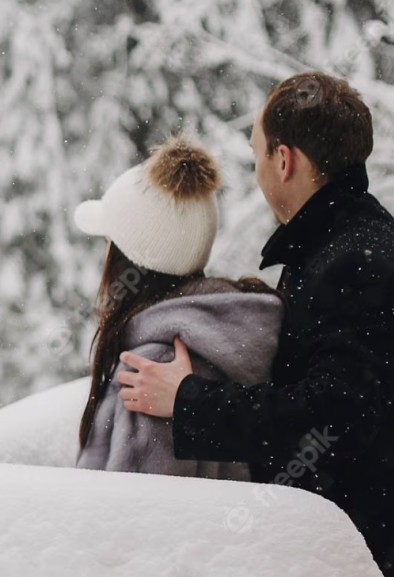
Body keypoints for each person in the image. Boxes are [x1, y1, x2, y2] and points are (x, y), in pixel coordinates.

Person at [115, 72, 394, 577]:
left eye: (258, 149)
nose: (257, 166)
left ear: (284, 159)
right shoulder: (348, 243)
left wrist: (189, 401)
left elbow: (329, 419)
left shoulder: (356, 260)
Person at [73, 137, 283, 478]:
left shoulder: (152, 370)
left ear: (128, 261)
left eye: (110, 244)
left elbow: (134, 518)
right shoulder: (212, 344)